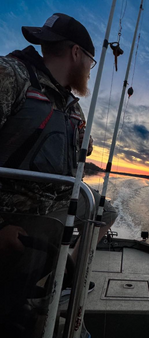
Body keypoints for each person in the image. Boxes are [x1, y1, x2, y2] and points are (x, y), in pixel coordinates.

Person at [0, 13, 117, 291]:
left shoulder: (72, 106)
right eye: (91, 61)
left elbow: (58, 149)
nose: (90, 70)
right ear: (76, 53)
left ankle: (64, 280)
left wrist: (80, 145)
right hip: (13, 209)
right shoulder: (9, 75)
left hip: (54, 200)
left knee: (104, 211)